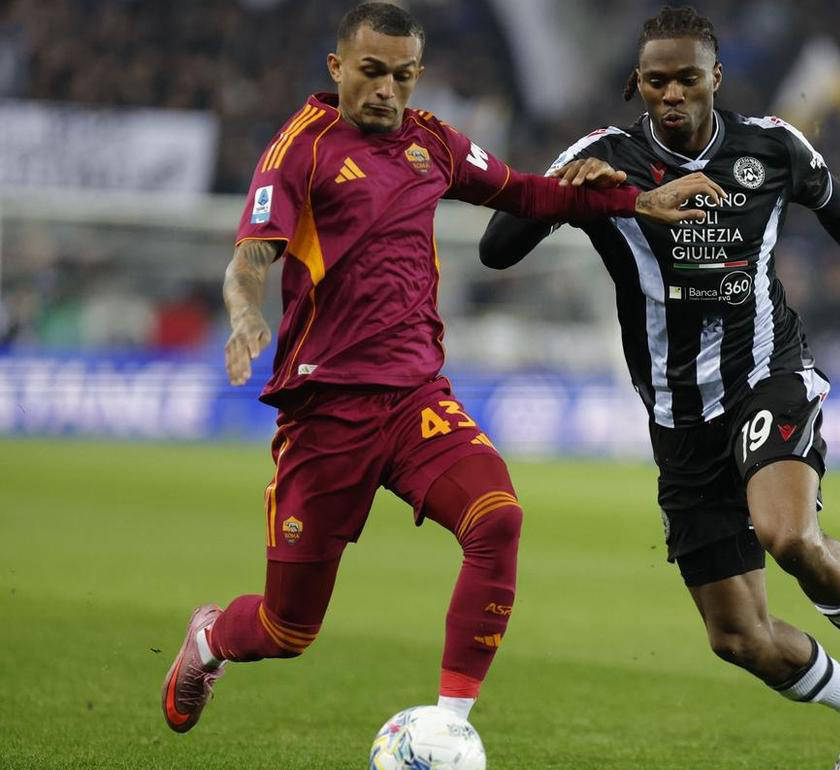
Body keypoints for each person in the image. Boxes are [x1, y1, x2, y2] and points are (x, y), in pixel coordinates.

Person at [161, 2, 722, 735]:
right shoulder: (300, 149)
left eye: (402, 76)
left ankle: (450, 726)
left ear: (417, 74)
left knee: (498, 519)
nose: (386, 90)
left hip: (414, 400)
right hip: (326, 412)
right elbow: (250, 258)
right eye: (371, 72)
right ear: (337, 68)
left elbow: (527, 193)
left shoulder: (433, 143)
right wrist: (244, 315)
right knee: (286, 629)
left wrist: (635, 199)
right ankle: (209, 639)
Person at [479, 7, 840, 768]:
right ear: (636, 83)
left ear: (716, 77)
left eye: (687, 78)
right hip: (678, 416)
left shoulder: (770, 147)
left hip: (767, 374)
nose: (672, 94)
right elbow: (496, 249)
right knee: (739, 638)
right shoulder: (604, 157)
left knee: (787, 534)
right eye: (656, 81)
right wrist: (574, 195)